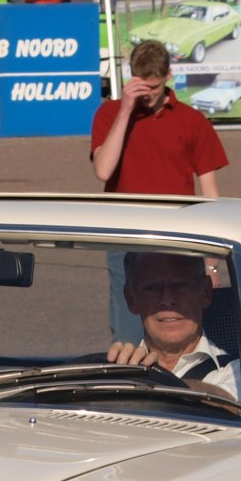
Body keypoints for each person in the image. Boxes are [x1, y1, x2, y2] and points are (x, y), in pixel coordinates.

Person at [91, 40, 229, 341]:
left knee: (184, 324)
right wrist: (126, 109)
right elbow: (103, 170)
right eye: (142, 86)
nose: (148, 95)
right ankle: (129, 381)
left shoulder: (192, 121)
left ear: (168, 77)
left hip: (178, 235)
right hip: (123, 235)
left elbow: (209, 191)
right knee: (127, 330)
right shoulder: (109, 114)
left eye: (154, 86)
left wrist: (212, 262)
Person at [105, 252, 240, 400]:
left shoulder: (236, 370)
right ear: (131, 299)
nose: (168, 300)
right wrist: (112, 376)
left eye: (180, 285)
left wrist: (147, 384)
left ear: (206, 292)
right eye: (152, 287)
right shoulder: (116, 371)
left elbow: (230, 405)